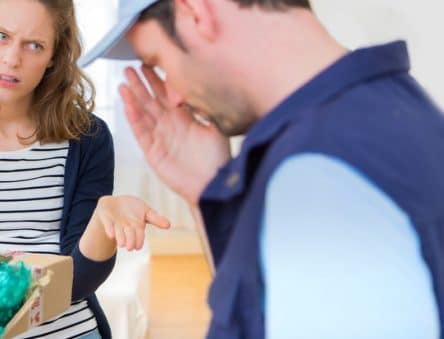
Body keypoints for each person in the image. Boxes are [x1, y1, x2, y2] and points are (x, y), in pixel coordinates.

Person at [80, 0, 444, 338]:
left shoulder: (318, 177)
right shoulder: (388, 112)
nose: (173, 96)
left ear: (196, 12)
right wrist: (206, 188)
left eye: (159, 62)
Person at [0, 1, 170, 338]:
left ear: (54, 56)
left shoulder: (87, 138)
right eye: (1, 36)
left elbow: (79, 281)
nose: (12, 58)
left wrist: (103, 221)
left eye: (34, 45)